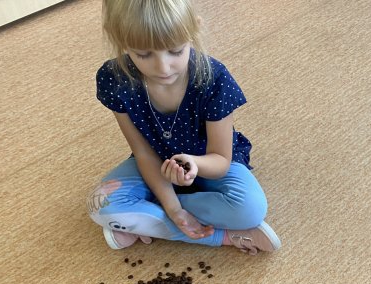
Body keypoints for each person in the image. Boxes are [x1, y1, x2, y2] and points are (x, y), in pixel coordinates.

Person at [87, 0, 280, 254]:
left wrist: (194, 164)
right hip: (155, 162)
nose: (163, 67)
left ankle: (142, 218)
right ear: (120, 40)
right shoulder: (115, 79)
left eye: (175, 51)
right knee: (99, 204)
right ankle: (224, 236)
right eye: (144, 54)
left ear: (193, 31)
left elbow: (221, 160)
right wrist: (174, 209)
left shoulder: (214, 78)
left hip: (208, 163)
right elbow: (143, 153)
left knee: (251, 209)